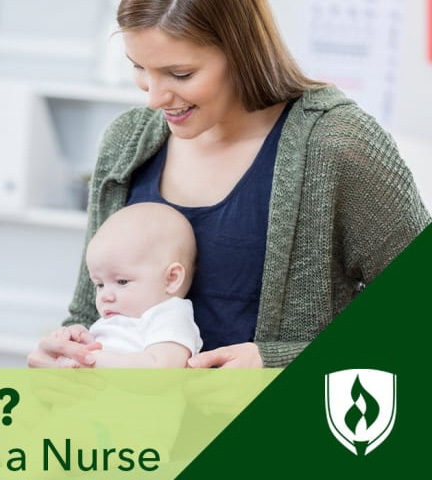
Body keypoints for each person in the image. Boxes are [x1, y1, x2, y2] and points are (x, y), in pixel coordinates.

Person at [28, 0, 429, 369]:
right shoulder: (126, 144)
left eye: (179, 73)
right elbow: (91, 314)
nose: (154, 97)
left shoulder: (336, 143)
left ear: (242, 51)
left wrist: (274, 363)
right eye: (139, 67)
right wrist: (63, 355)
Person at [51, 202, 202, 368]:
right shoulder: (114, 320)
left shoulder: (168, 316)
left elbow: (161, 369)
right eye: (99, 284)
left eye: (122, 282)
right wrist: (79, 341)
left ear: (171, 279)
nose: (105, 296)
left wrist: (91, 360)